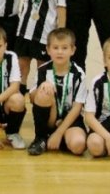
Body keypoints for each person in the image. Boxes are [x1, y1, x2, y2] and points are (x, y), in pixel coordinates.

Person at [27, 28, 87, 156]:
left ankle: (58, 138)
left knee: (78, 145)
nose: (60, 52)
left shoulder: (79, 74)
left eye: (64, 48)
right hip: (49, 118)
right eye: (55, 47)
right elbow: (32, 98)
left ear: (72, 50)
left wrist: (59, 133)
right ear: (48, 50)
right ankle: (41, 138)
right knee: (43, 92)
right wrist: (41, 88)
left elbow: (77, 108)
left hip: (69, 120)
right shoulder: (42, 70)